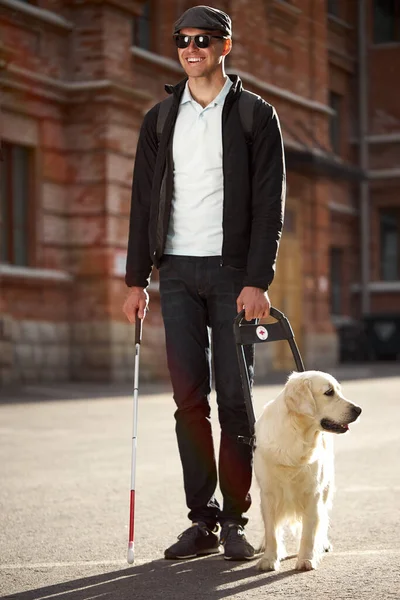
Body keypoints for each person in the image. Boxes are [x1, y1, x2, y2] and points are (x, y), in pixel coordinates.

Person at [123, 5, 286, 561]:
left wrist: (257, 279)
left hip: (230, 275)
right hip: (176, 273)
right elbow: (143, 202)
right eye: (181, 40)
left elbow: (269, 206)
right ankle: (204, 521)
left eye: (202, 39)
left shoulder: (254, 116)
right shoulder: (159, 119)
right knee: (188, 400)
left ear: (225, 46)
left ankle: (238, 519)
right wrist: (135, 279)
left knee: (236, 399)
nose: (190, 48)